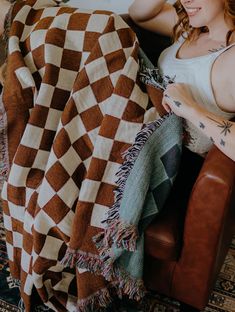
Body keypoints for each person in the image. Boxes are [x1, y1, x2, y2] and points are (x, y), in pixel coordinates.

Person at [129, 0, 235, 161]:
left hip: (167, 162)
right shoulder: (190, 29)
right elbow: (139, 14)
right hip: (134, 125)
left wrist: (188, 107)